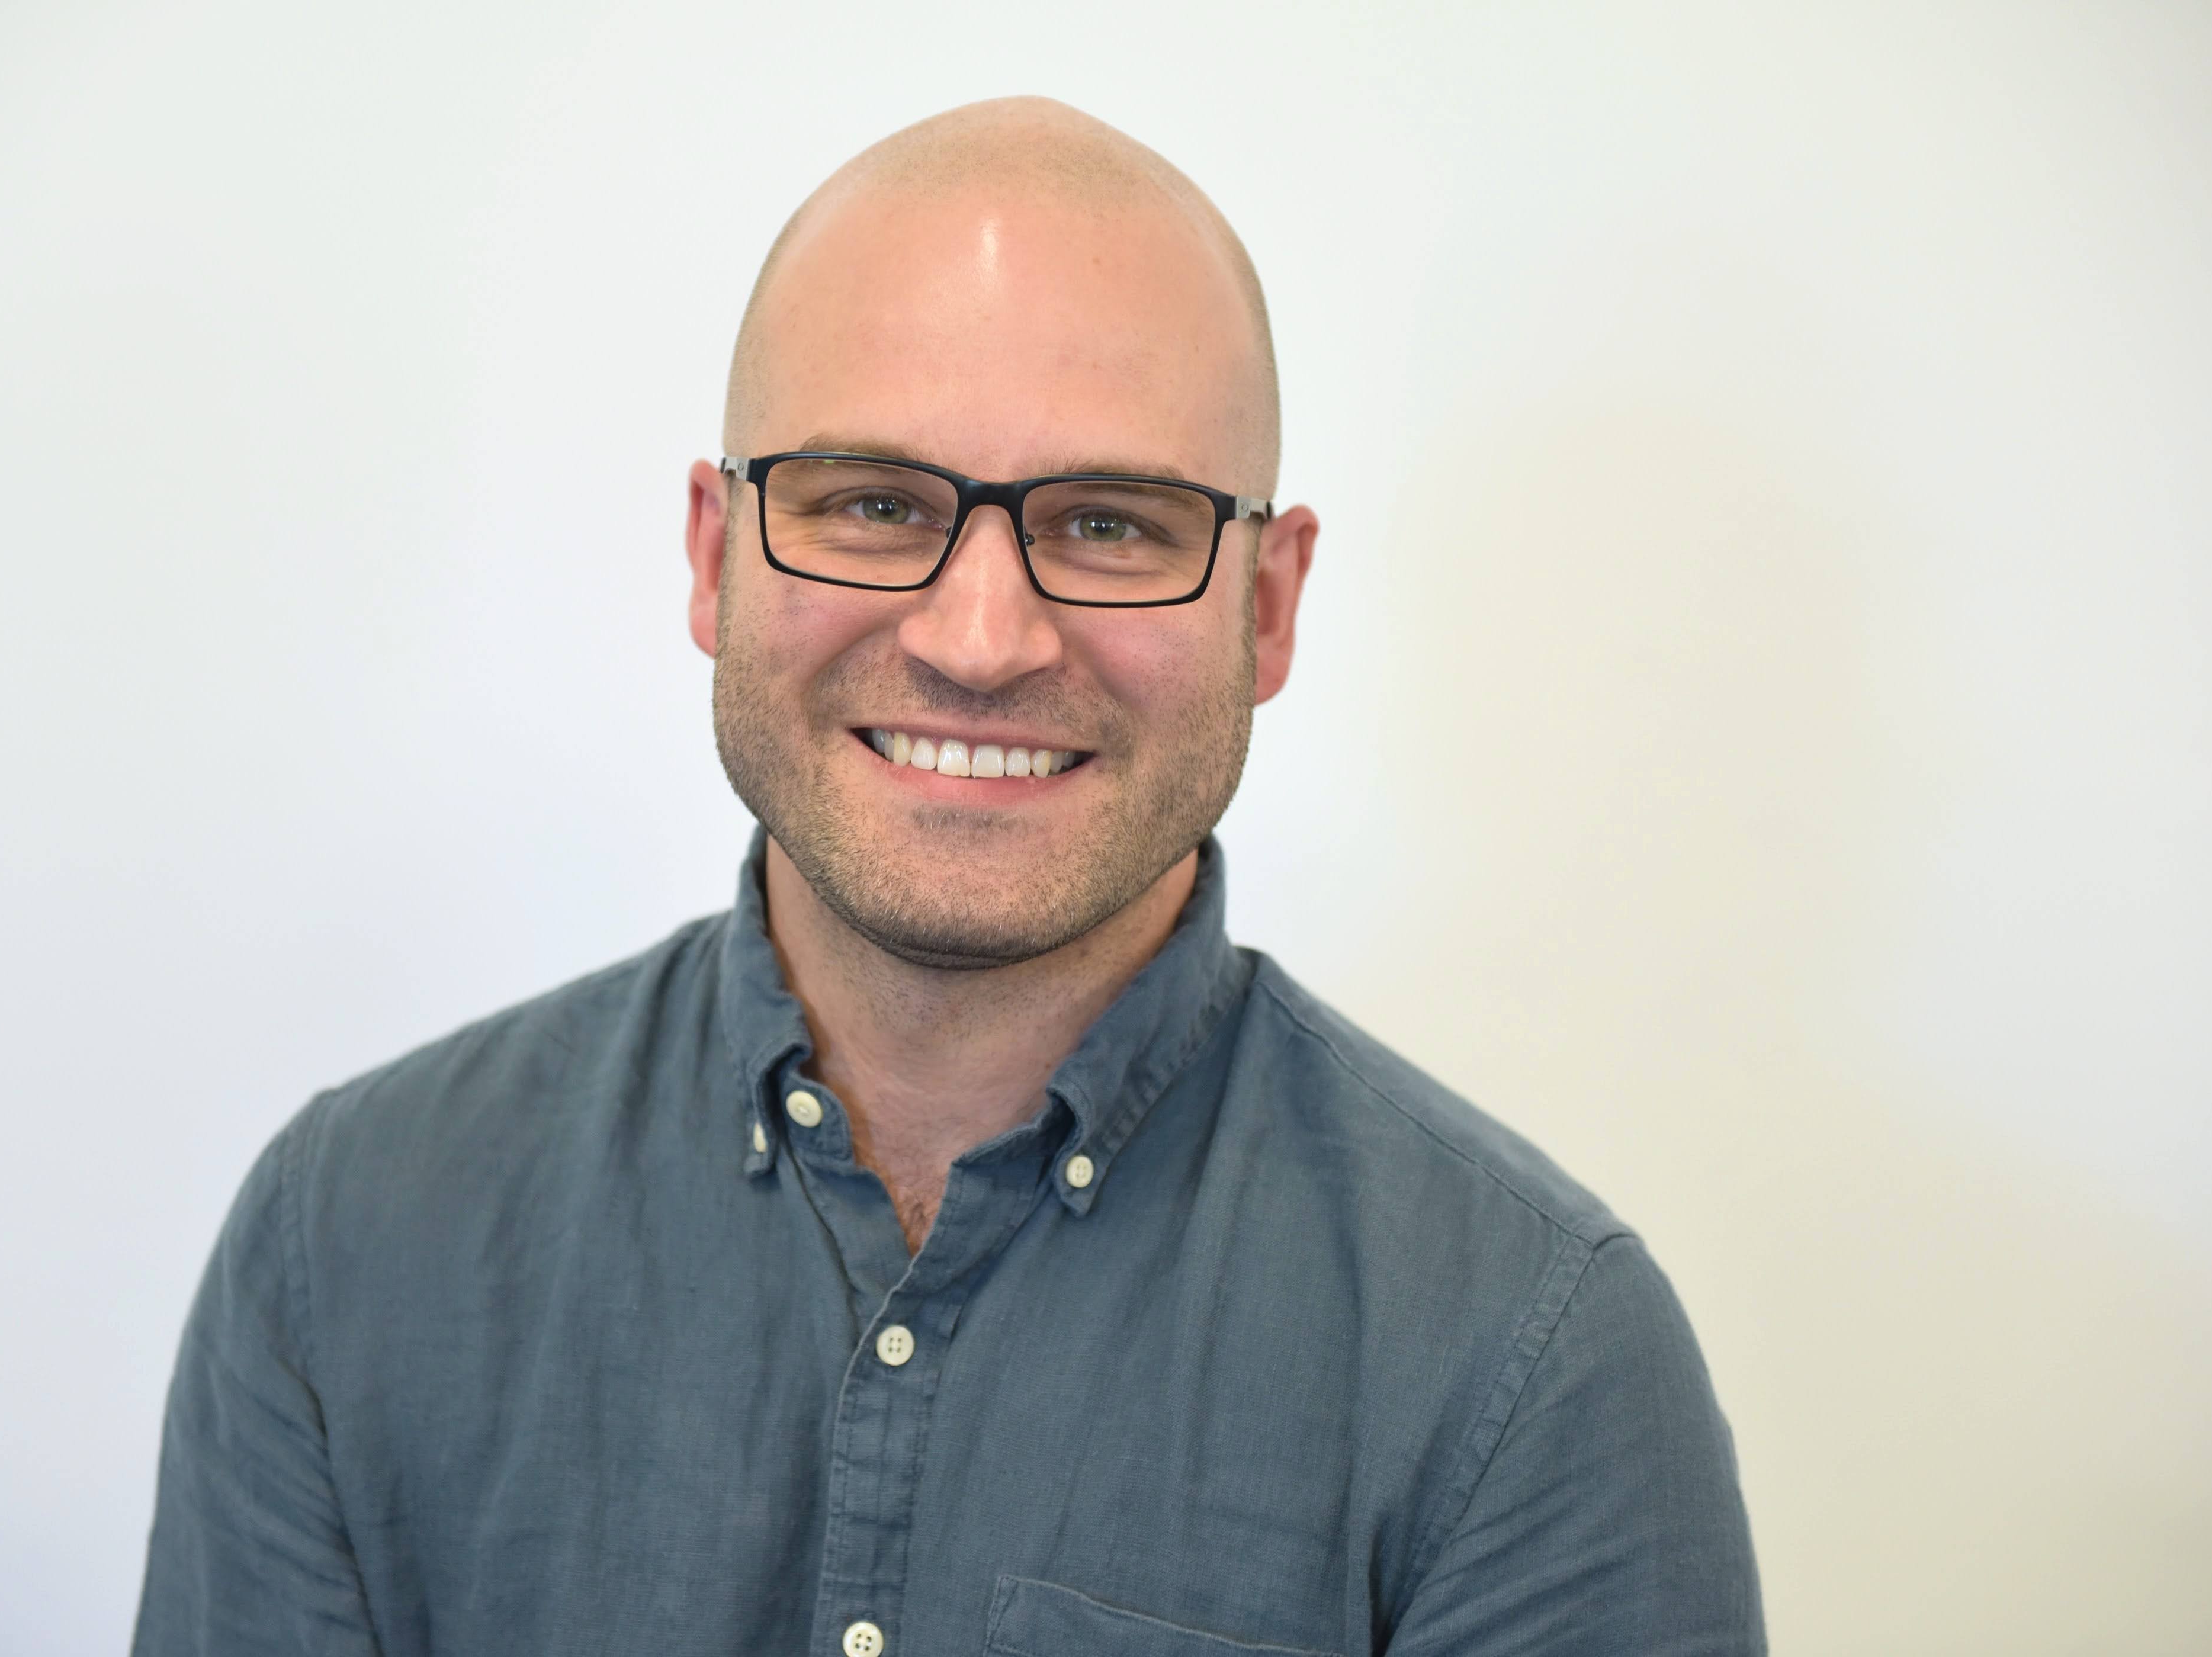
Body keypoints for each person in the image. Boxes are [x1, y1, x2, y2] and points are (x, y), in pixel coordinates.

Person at [134, 97, 1764, 1656]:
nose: (980, 639)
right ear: (716, 557)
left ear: (1270, 606)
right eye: (872, 504)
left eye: (1114, 525)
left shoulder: (1535, 1362)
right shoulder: (348, 1247)